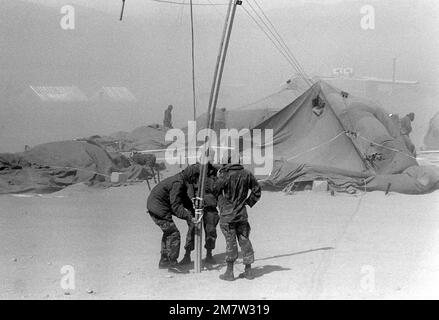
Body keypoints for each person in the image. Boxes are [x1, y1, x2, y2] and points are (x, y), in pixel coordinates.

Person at [214, 157, 261, 281]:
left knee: (231, 242)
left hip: (228, 216)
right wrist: (247, 202)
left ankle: (229, 272)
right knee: (245, 240)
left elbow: (215, 190)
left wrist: (222, 204)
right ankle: (248, 271)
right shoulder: (247, 173)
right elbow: (257, 190)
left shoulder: (224, 175)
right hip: (242, 214)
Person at [146, 164, 200, 274]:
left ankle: (164, 261)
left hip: (157, 206)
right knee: (173, 233)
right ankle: (172, 263)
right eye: (195, 178)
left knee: (168, 232)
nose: (195, 181)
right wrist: (189, 217)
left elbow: (183, 199)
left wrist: (191, 209)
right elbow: (176, 206)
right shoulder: (178, 183)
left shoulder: (181, 180)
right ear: (191, 176)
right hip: (159, 209)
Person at [179, 163, 220, 266]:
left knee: (211, 231)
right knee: (192, 230)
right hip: (196, 206)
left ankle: (209, 254)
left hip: (210, 205)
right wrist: (192, 199)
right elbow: (189, 186)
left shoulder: (214, 171)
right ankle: (187, 255)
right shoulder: (193, 169)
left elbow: (218, 189)